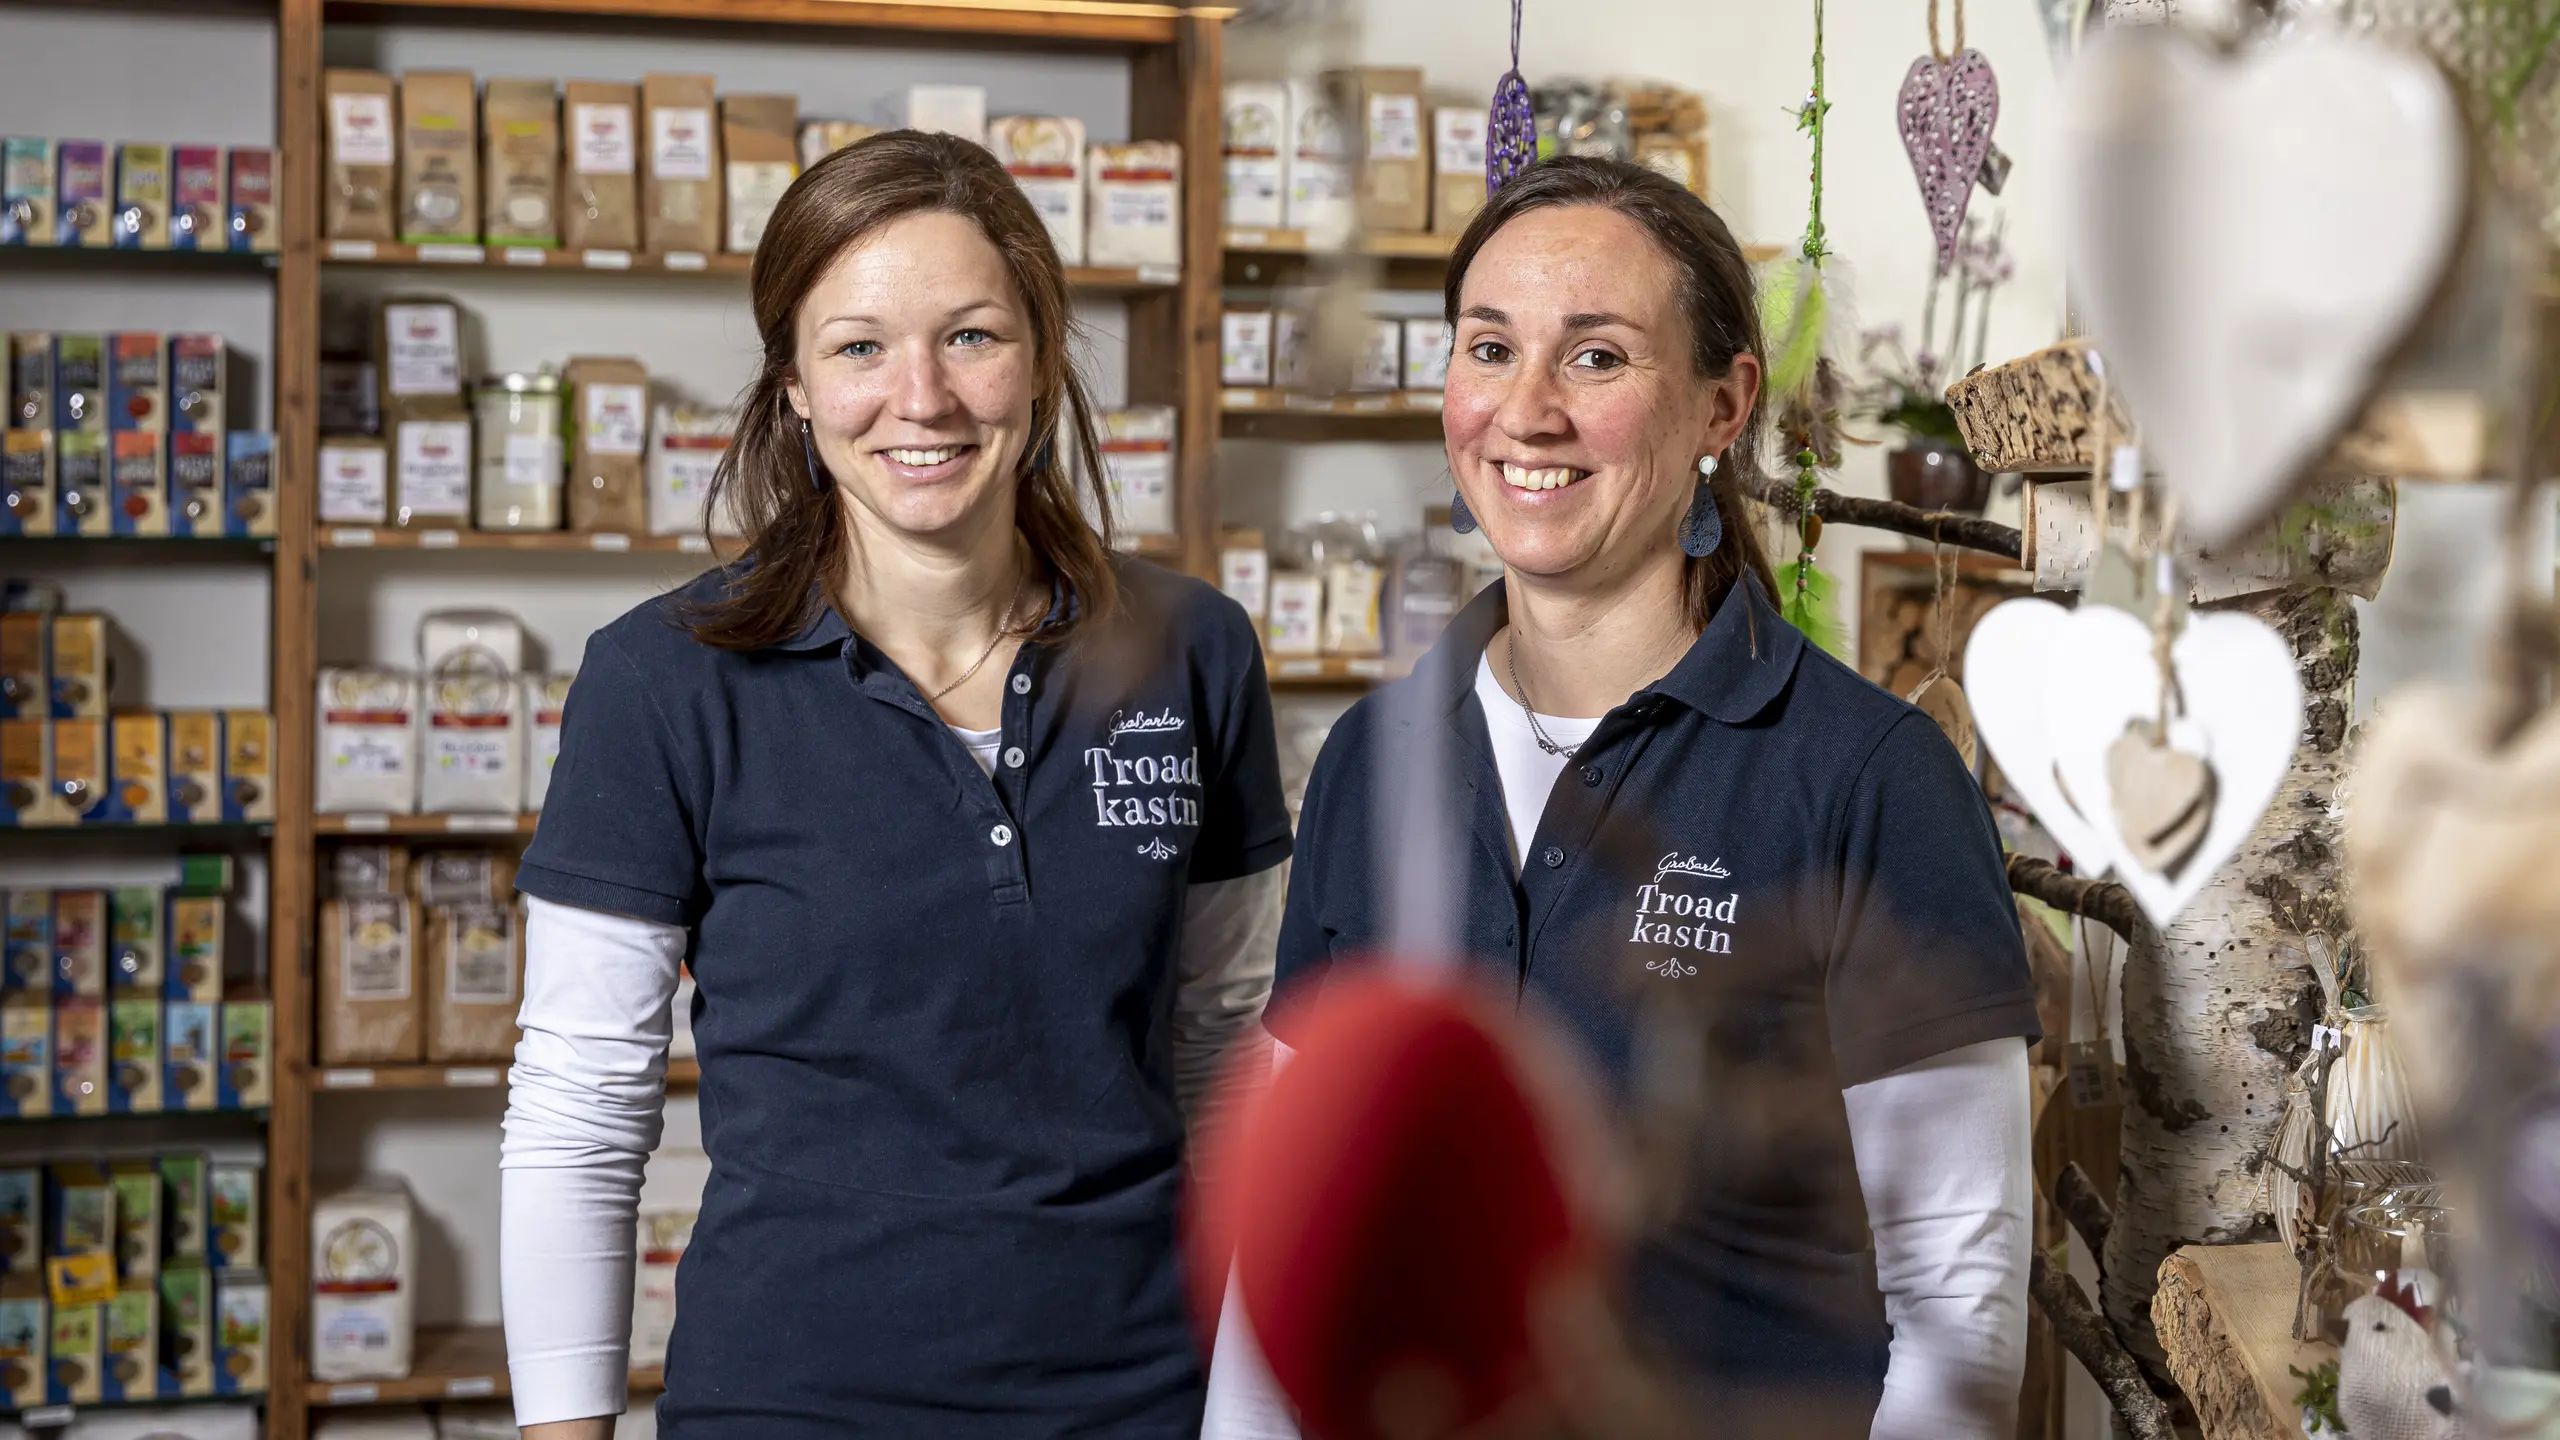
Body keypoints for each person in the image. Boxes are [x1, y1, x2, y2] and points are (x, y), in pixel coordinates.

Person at [1228, 157, 2038, 1440]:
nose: (1527, 411)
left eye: (1596, 358)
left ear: (1724, 406)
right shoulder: (1372, 762)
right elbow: (1293, 1243)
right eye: (1489, 349)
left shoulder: (1865, 779)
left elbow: (1957, 1299)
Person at [500, 131, 1292, 1439]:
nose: (919, 398)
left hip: (1138, 1398)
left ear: (1039, 361)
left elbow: (1236, 1064)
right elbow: (584, 1109)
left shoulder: (1192, 649)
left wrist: (1254, 1420)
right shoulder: (663, 680)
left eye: (971, 337)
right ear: (795, 385)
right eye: (860, 346)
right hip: (790, 1404)